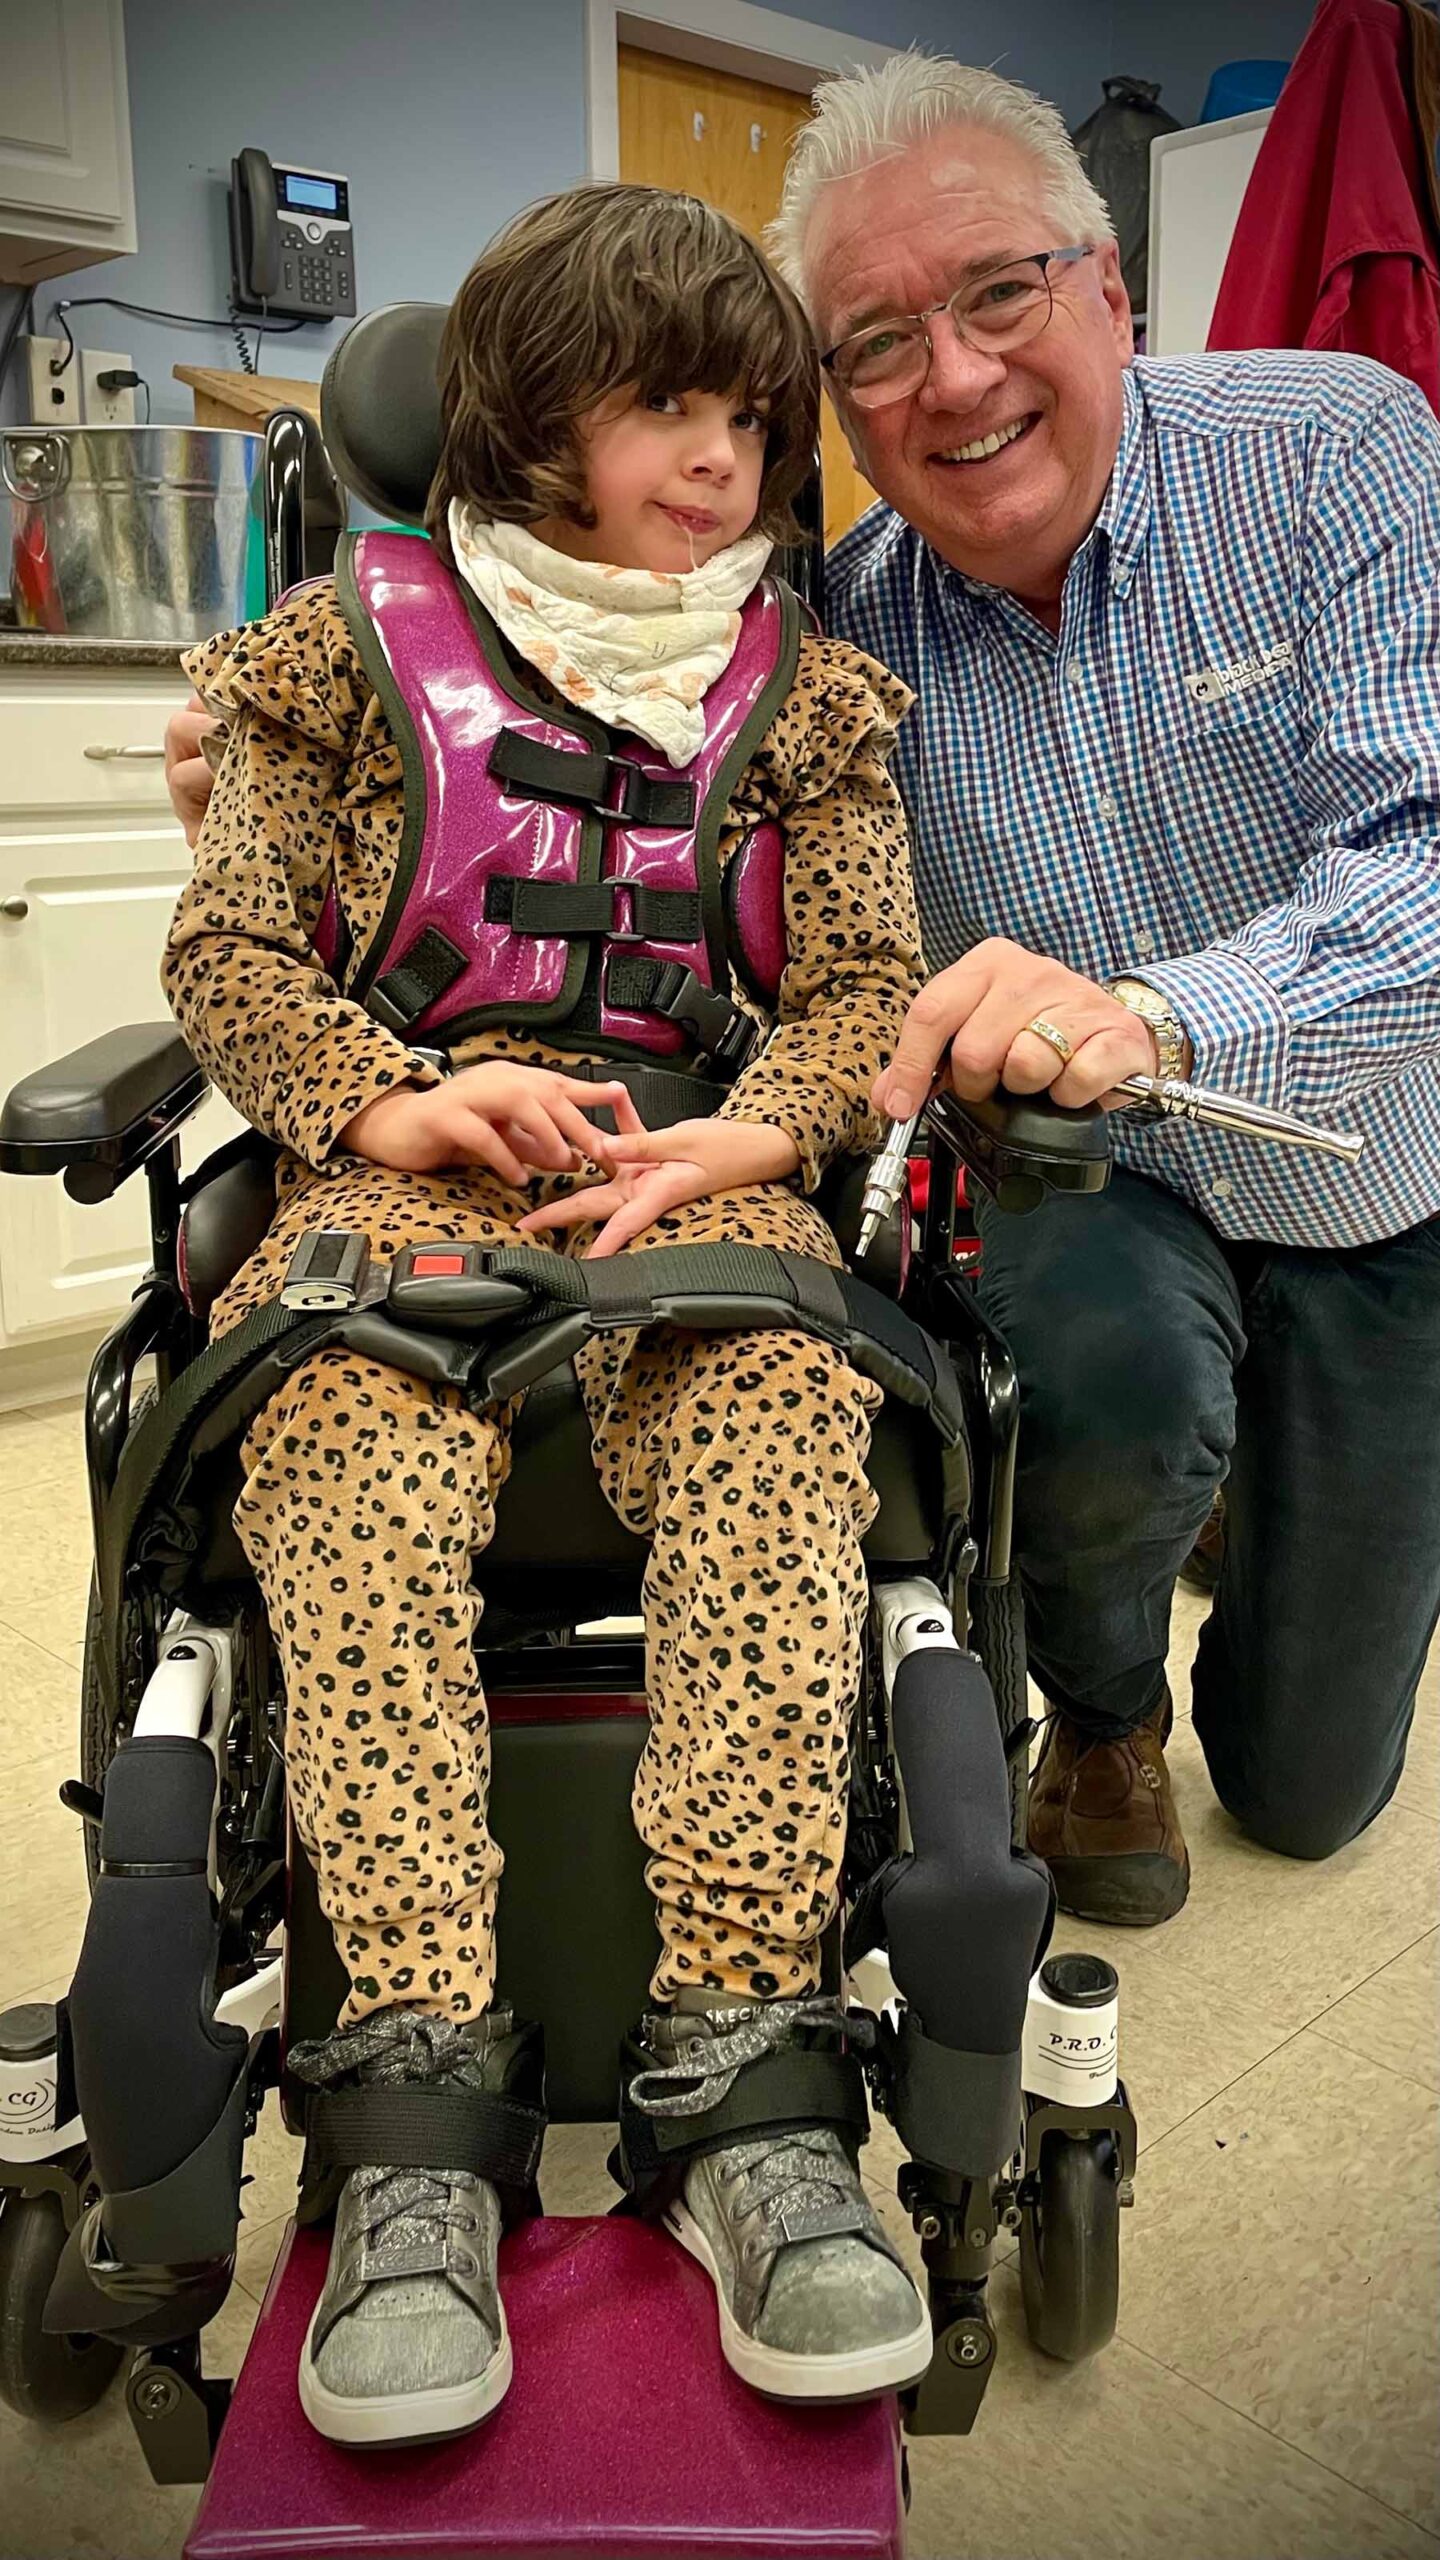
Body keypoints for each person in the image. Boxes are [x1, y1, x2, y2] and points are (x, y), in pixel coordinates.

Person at [162, 182, 932, 2448]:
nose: (722, 458)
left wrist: (761, 1135)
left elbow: (867, 981)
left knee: (792, 1418)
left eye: (755, 418)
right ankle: (411, 2108)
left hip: (695, 1184)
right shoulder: (330, 657)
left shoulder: (814, 700)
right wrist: (398, 1099)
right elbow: (227, 962)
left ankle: (745, 2073)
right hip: (409, 1167)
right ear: (524, 421)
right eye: (663, 407)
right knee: (349, 1448)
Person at [761, 53, 1440, 1928]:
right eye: (877, 342)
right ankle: (1105, 1702)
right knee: (1105, 1378)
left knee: (1313, 1794)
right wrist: (314, 766)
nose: (954, 380)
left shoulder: (1339, 450)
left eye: (1000, 292)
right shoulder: (843, 614)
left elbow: (1434, 846)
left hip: (1376, 1159)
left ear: (1112, 287)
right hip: (1096, 1172)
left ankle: (1239, 1522)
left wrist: (1166, 1007)